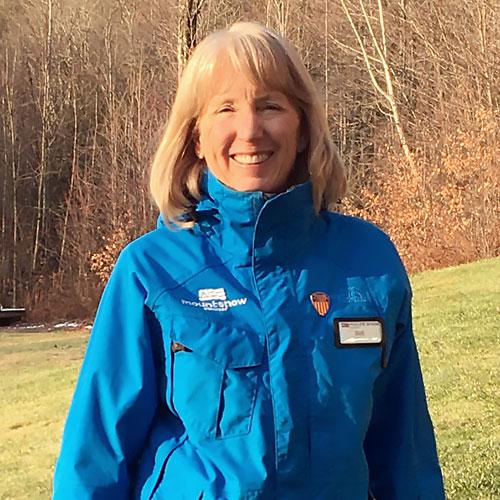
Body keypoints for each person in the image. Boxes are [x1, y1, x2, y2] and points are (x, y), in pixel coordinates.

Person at [53, 21, 445, 500]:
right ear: (196, 137)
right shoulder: (151, 271)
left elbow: (405, 451)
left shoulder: (368, 262)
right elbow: (95, 457)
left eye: (270, 106)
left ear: (303, 128)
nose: (250, 130)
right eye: (225, 108)